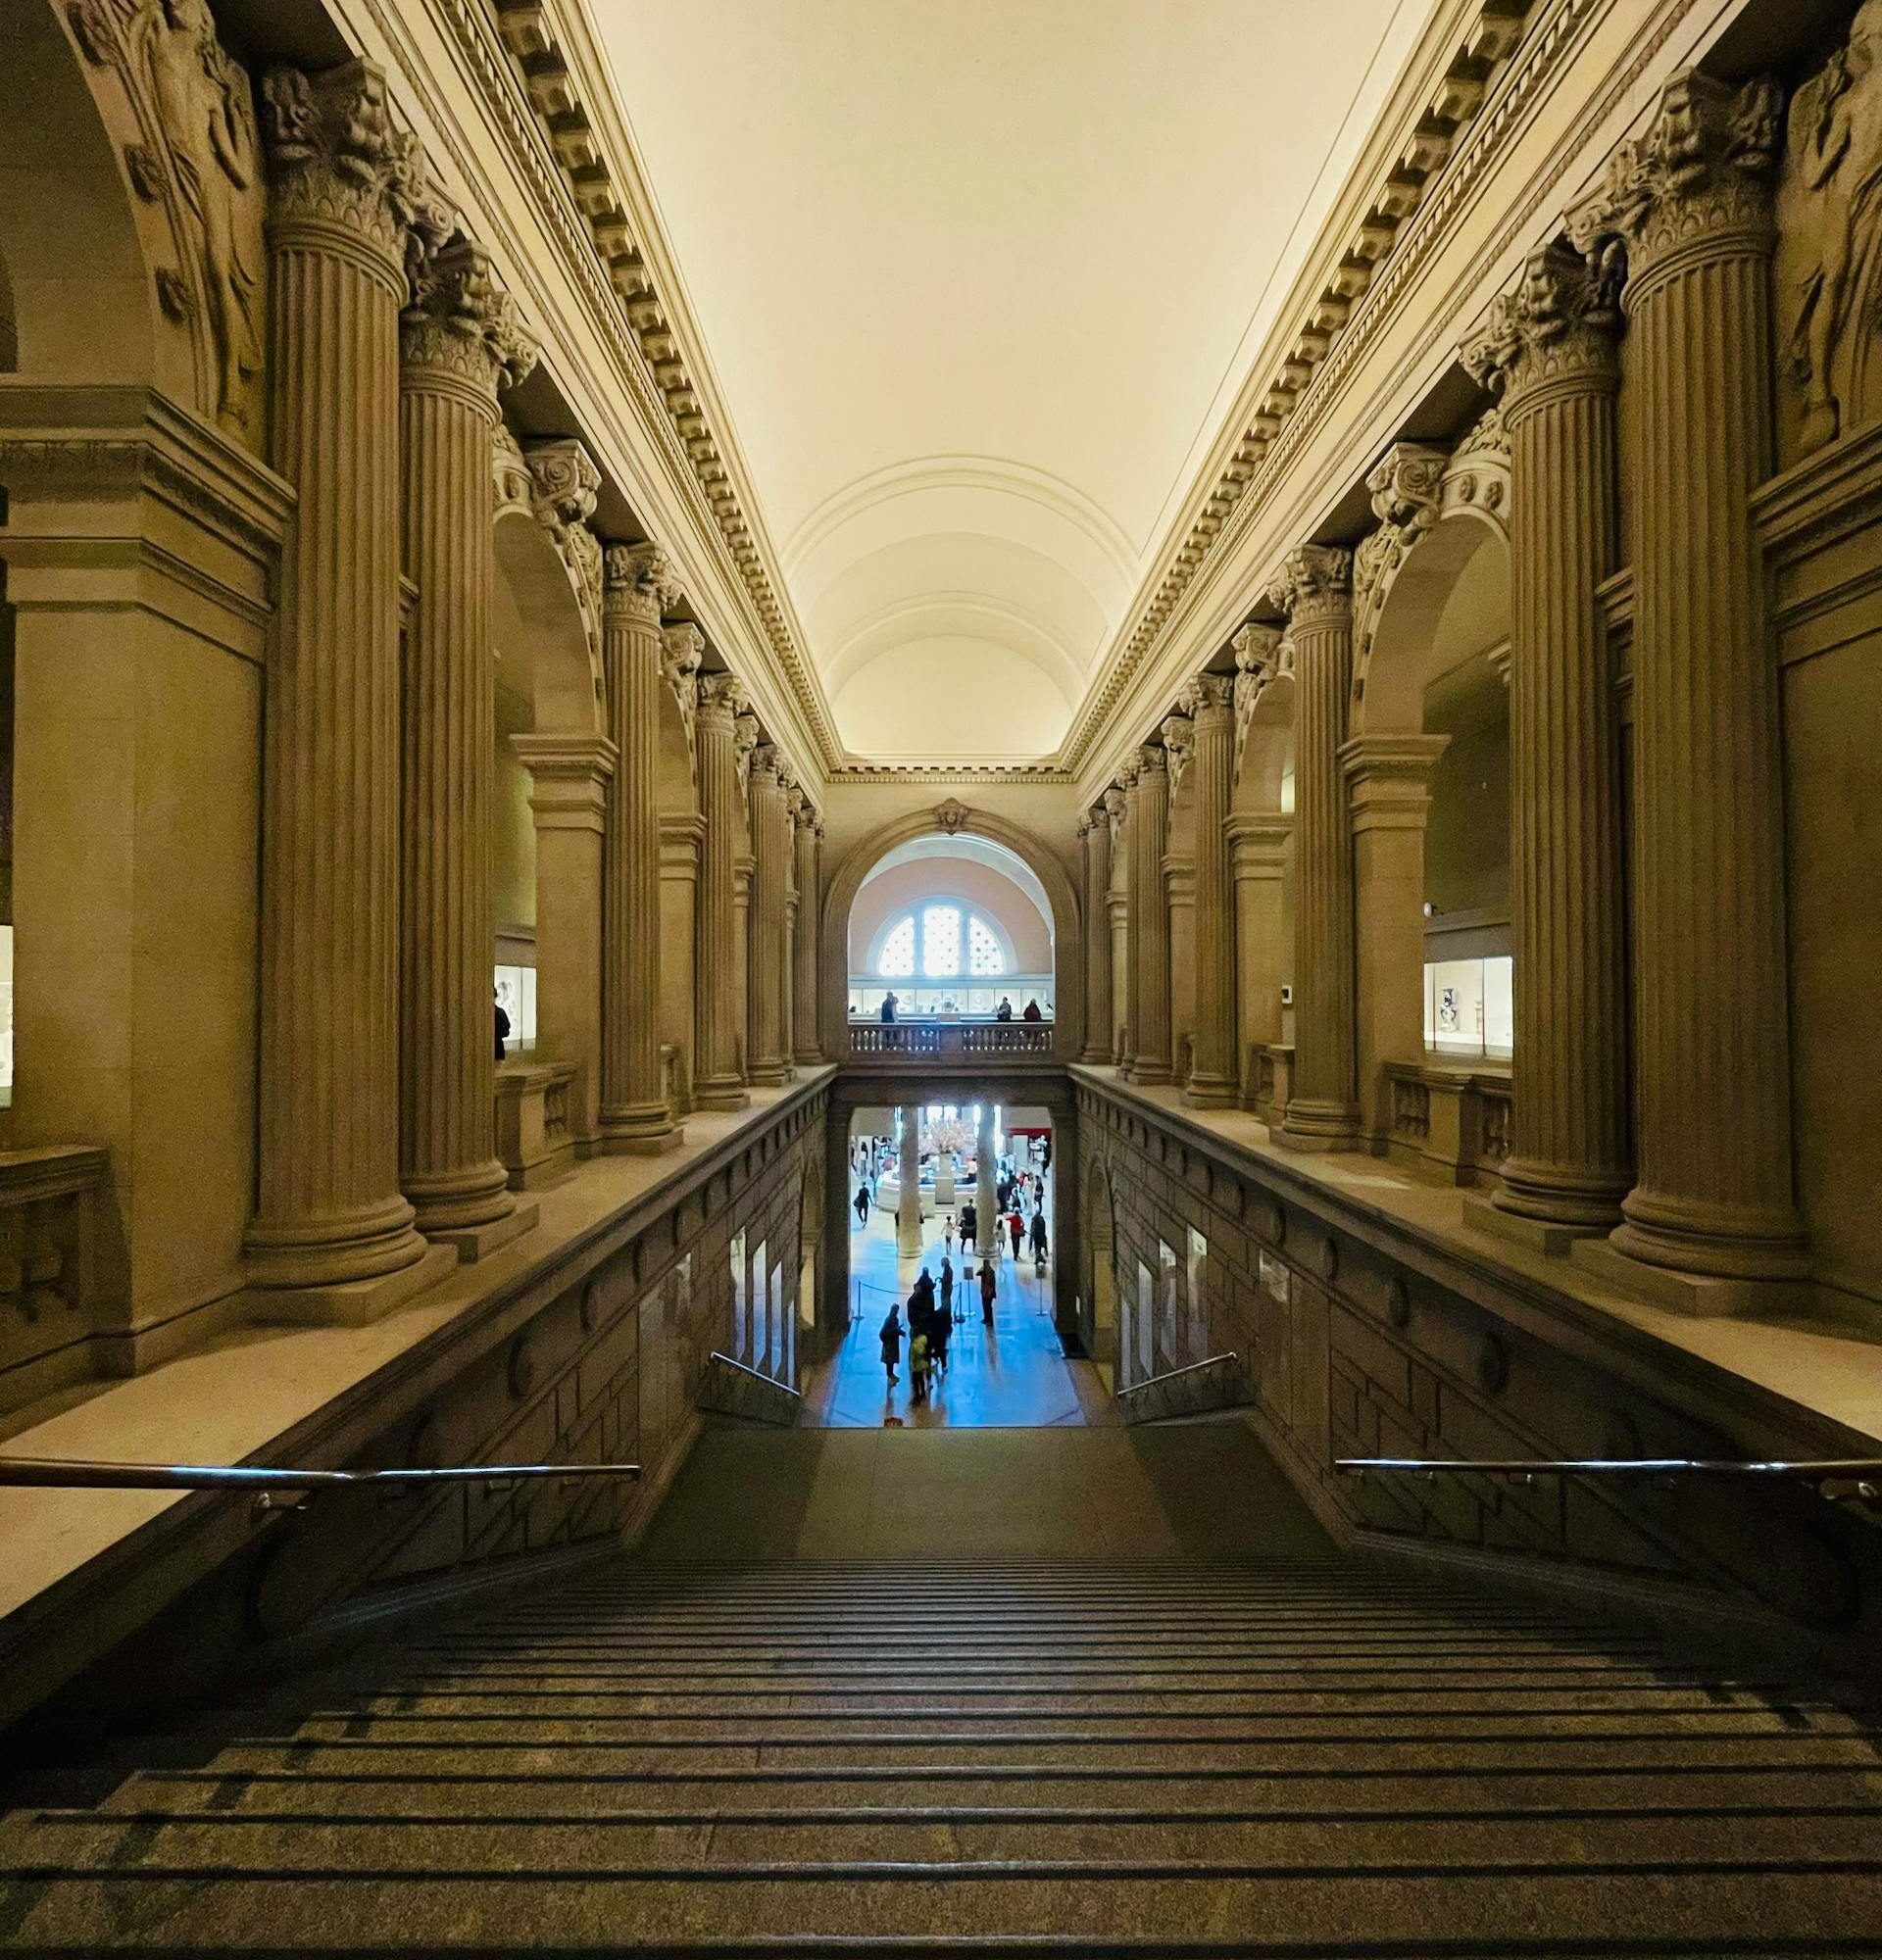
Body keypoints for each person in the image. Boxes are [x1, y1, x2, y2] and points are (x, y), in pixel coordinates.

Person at [879, 1303, 903, 1386]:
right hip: (889, 1346)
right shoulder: (889, 1320)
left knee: (891, 1362)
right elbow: (883, 1333)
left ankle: (892, 1375)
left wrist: (897, 1330)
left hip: (892, 1345)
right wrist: (896, 1331)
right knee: (889, 1362)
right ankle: (890, 1377)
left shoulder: (895, 1319)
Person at [909, 1324, 930, 1405]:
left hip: (916, 1366)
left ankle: (916, 1397)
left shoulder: (914, 1345)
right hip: (923, 1364)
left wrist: (912, 1365)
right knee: (921, 1379)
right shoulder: (924, 1338)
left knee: (915, 1382)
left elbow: (913, 1357)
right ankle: (923, 1393)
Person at [978, 1256, 997, 1326]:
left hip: (989, 1292)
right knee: (984, 1306)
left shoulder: (991, 1272)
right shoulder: (983, 1271)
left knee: (988, 1306)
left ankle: (990, 1320)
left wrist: (989, 1292)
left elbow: (992, 1283)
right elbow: (977, 1273)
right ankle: (986, 1318)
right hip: (984, 1291)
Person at [494, 991, 511, 1062]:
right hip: (498, 1046)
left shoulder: (499, 1012)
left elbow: (506, 1028)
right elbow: (506, 1029)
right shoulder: (500, 1012)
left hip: (497, 1046)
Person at [939, 1253, 955, 1322]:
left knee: (946, 1302)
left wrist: (942, 1280)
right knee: (947, 1301)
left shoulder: (947, 1270)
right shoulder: (949, 1269)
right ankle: (947, 1315)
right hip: (948, 1287)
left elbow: (946, 1279)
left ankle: (947, 1316)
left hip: (946, 1288)